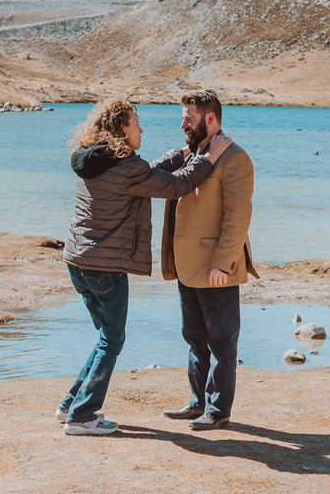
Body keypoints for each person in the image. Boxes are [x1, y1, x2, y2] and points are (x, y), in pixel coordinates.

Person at [59, 97, 231, 436]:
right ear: (122, 128)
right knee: (112, 340)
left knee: (106, 337)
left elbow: (146, 173)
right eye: (137, 123)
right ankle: (82, 415)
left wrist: (182, 153)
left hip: (78, 264)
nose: (142, 129)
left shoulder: (97, 159)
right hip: (104, 268)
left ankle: (71, 403)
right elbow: (178, 185)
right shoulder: (126, 168)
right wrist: (209, 157)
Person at [158, 89, 256, 430]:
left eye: (190, 118)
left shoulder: (235, 158)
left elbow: (238, 217)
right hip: (187, 266)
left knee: (222, 343)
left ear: (210, 119)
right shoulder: (192, 154)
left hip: (216, 269)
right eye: (183, 117)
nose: (183, 123)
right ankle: (197, 402)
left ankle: (218, 410)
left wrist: (223, 263)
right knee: (195, 338)